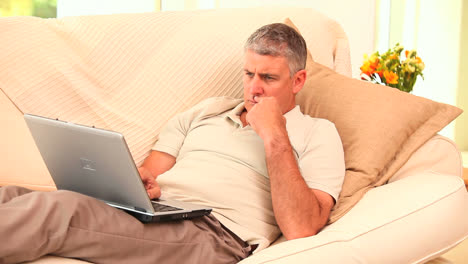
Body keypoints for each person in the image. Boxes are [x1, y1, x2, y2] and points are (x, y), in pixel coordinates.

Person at [0, 23, 345, 264]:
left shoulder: (318, 133)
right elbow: (150, 173)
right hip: (162, 212)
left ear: (298, 80)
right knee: (9, 195)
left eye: (268, 78)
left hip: (216, 234)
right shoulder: (207, 111)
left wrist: (274, 135)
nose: (254, 89)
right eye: (248, 74)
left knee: (60, 211)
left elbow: (302, 227)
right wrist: (139, 182)